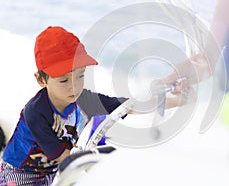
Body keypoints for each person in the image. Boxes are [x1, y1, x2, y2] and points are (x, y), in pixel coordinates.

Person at [0, 26, 183, 186]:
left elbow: (128, 106)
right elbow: (64, 157)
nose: (74, 86)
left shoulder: (84, 100)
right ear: (41, 80)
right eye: (63, 80)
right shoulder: (36, 112)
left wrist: (174, 100)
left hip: (50, 172)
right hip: (19, 172)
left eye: (80, 75)